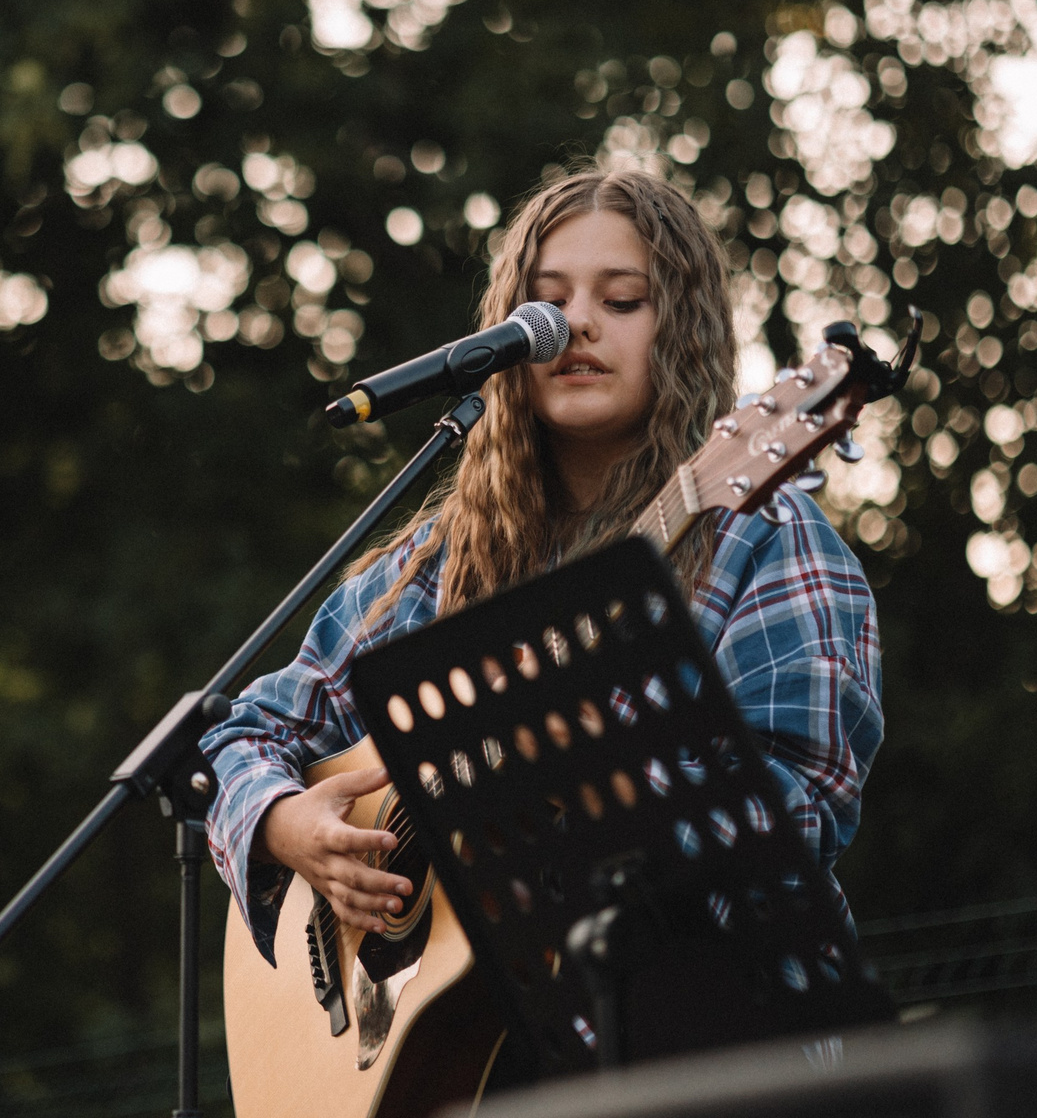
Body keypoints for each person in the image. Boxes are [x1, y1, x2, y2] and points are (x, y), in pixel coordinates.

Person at [204, 165, 881, 968]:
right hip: (497, 1065)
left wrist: (608, 769)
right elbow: (243, 730)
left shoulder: (762, 537)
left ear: (685, 331)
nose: (578, 323)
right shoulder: (443, 562)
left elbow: (796, 827)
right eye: (547, 303)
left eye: (621, 300)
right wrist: (286, 824)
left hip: (724, 1042)